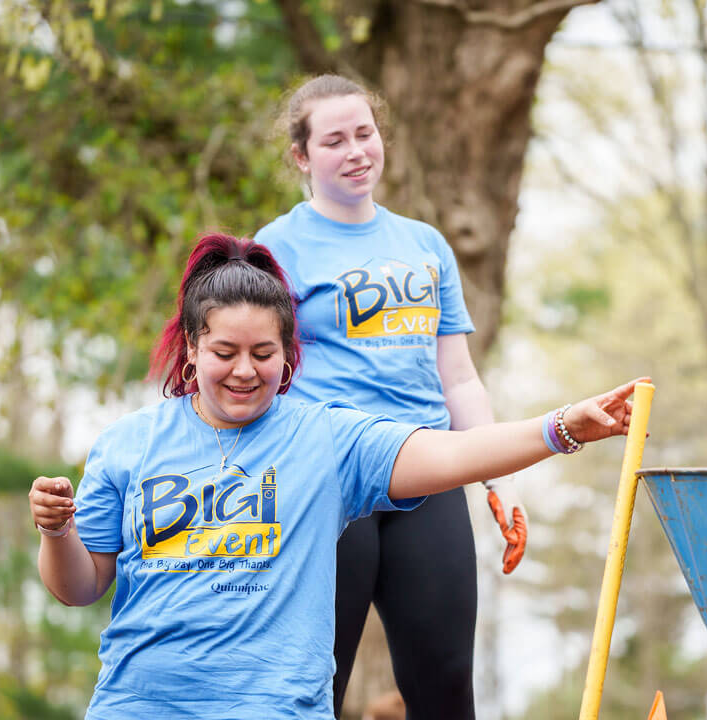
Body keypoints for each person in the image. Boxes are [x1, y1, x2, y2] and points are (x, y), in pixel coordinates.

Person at [27, 233, 643, 719]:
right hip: (138, 705)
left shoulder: (325, 437)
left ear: (289, 353)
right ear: (191, 347)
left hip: (275, 709)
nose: (245, 371)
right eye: (224, 353)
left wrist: (562, 428)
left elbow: (453, 453)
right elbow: (80, 588)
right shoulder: (128, 444)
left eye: (264, 355)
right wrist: (58, 533)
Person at [251, 74, 524, 718]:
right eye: (334, 140)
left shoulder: (425, 245)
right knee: (317, 683)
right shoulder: (274, 249)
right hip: (329, 481)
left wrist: (498, 481)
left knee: (447, 685)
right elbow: (259, 373)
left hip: (427, 473)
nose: (355, 152)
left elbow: (458, 378)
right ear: (302, 156)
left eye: (365, 134)